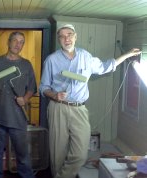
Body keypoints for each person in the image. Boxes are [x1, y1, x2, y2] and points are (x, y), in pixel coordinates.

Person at [39, 24, 141, 178]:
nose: (67, 39)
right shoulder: (52, 60)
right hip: (58, 108)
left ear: (75, 36)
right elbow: (44, 87)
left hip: (79, 109)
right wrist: (54, 95)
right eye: (62, 36)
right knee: (57, 153)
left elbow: (106, 66)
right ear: (59, 39)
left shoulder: (85, 56)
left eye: (70, 34)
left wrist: (126, 55)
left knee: (80, 154)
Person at [0, 31, 37, 178]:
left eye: (21, 42)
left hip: (18, 117)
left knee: (23, 154)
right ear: (8, 42)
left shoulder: (26, 65)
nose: (18, 44)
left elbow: (32, 88)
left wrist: (25, 98)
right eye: (15, 40)